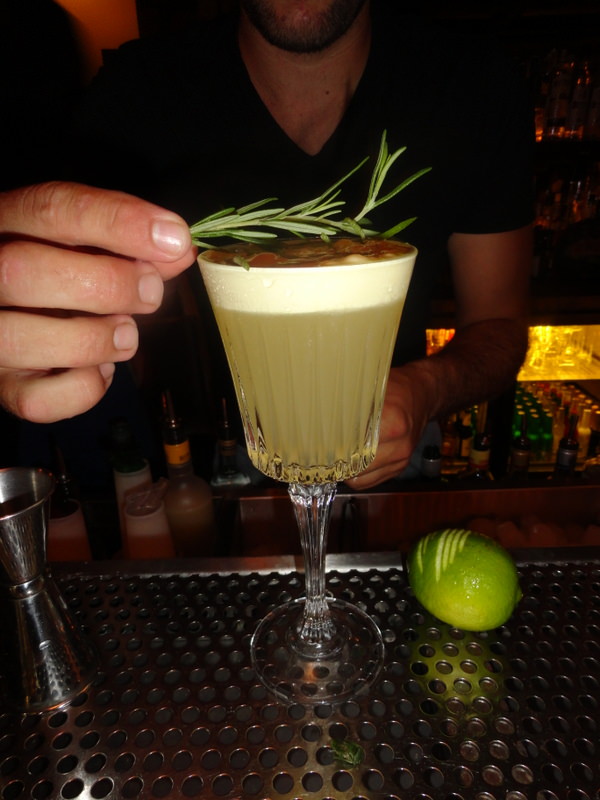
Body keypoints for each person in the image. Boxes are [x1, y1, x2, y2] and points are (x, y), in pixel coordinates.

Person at [0, 0, 533, 490]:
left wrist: (426, 391)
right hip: (233, 454)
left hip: (403, 451)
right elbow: (76, 292)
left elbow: (500, 327)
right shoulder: (138, 92)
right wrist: (42, 320)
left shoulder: (473, 83)